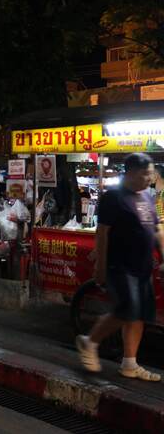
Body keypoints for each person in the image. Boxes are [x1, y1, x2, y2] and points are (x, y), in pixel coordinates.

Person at [76, 153, 163, 381]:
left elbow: (156, 230)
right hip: (120, 265)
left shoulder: (146, 196)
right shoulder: (113, 197)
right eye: (145, 173)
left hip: (142, 266)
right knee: (126, 309)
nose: (149, 178)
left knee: (139, 314)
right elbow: (102, 232)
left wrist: (163, 258)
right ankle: (90, 341)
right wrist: (100, 267)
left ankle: (129, 364)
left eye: (151, 173)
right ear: (131, 172)